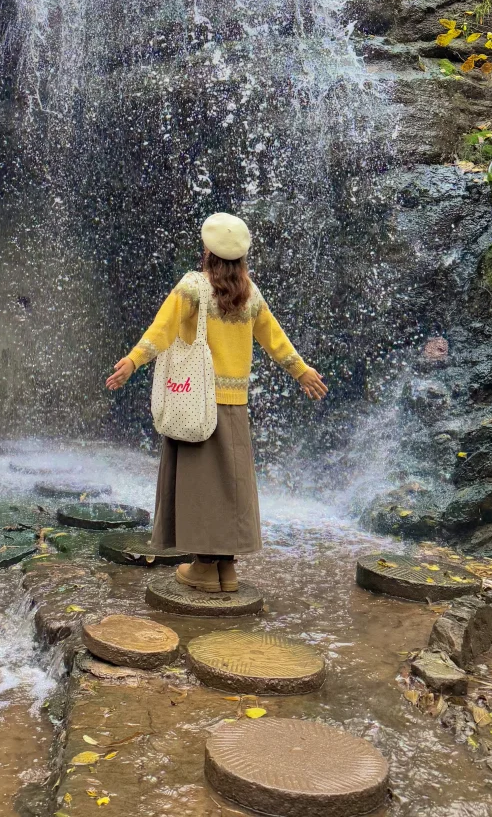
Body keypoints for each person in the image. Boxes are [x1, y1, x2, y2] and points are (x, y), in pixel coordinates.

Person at [106, 212, 328, 593]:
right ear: (241, 257)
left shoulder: (193, 288)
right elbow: (275, 339)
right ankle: (227, 569)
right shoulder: (249, 294)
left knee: (201, 487)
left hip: (196, 402)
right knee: (231, 485)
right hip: (234, 407)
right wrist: (301, 371)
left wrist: (132, 361)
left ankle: (205, 569)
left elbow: (162, 329)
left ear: (207, 251)